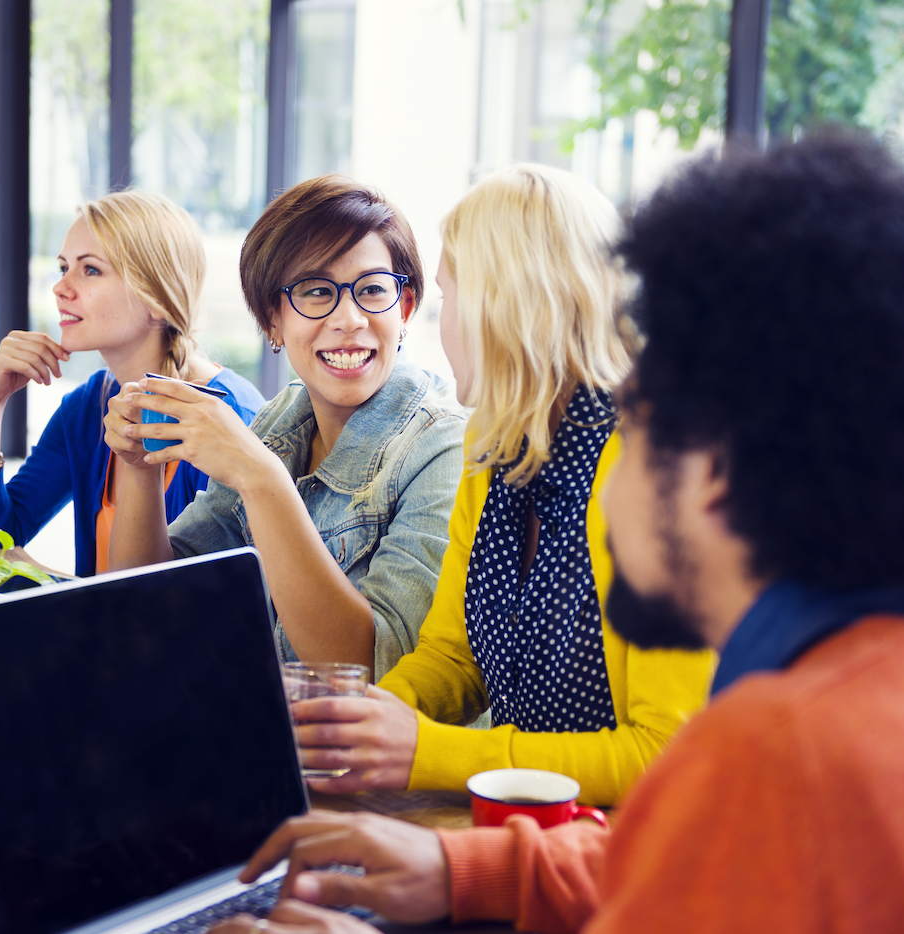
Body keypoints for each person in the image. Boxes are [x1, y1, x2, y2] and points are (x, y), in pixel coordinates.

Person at [208, 131, 904, 934]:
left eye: (646, 414)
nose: (622, 428)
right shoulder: (817, 699)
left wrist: (427, 762)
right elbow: (648, 856)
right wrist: (457, 860)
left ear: (710, 467)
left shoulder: (775, 748)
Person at [289, 164, 714, 806]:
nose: (438, 326)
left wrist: (429, 753)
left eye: (446, 298)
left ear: (504, 306)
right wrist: (358, 726)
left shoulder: (658, 470)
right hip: (524, 838)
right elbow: (454, 655)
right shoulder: (491, 445)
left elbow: (664, 754)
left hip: (625, 860)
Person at [104, 176, 465, 679]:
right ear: (272, 319)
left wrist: (263, 479)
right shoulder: (284, 419)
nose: (349, 318)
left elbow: (380, 672)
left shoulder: (445, 447)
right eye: (316, 291)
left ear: (404, 309)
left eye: (372, 291)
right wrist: (140, 468)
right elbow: (147, 603)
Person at [0, 189, 264, 576]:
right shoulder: (87, 409)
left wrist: (49, 583)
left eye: (90, 270)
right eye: (64, 268)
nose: (60, 288)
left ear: (156, 299)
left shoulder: (234, 418)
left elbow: (206, 609)